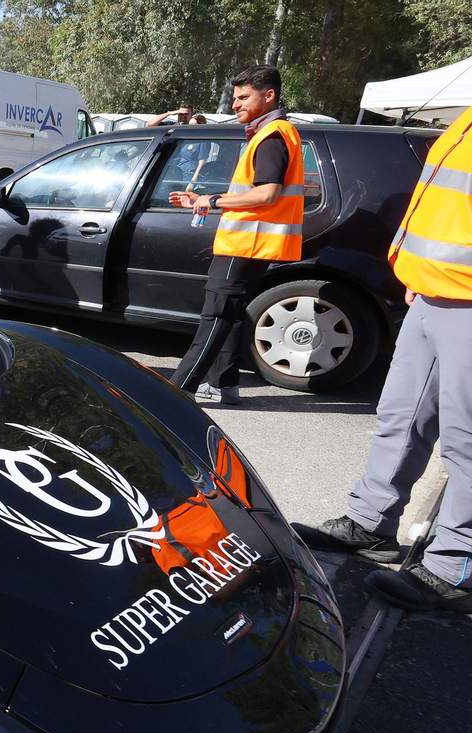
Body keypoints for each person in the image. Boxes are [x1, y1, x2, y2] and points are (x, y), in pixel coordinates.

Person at [292, 102, 472, 611]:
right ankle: (370, 523)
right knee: (401, 416)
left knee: (467, 438)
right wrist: (414, 270)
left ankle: (457, 567)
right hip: (433, 292)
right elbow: (435, 201)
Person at [165, 66, 303, 406]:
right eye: (236, 97)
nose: (235, 105)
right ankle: (225, 385)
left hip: (245, 243)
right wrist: (202, 200)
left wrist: (210, 200)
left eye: (243, 97)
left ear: (268, 96)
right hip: (252, 243)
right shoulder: (274, 133)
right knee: (230, 313)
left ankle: (179, 390)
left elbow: (266, 194)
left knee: (217, 314)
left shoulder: (272, 135)